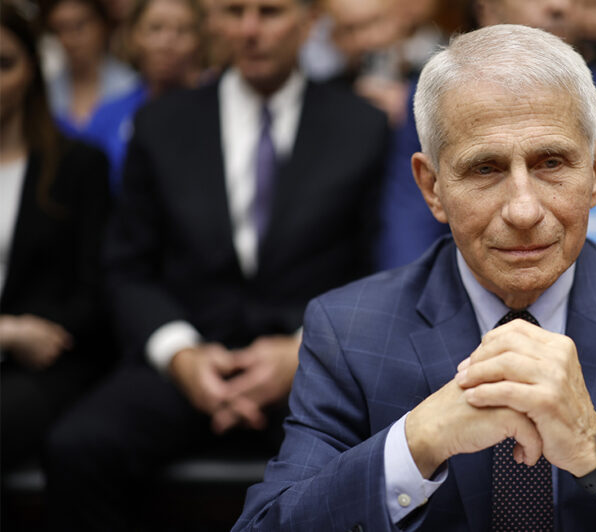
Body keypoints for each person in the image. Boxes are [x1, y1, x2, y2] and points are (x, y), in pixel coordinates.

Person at [233, 23, 596, 532]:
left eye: (551, 163)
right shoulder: (348, 330)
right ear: (432, 187)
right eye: (485, 169)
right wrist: (417, 442)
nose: (524, 209)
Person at [43, 0, 388, 528]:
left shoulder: (360, 126)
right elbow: (127, 265)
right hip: (185, 353)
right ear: (213, 23)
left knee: (369, 460)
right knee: (78, 448)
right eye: (233, 11)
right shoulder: (161, 123)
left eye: (269, 12)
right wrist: (180, 354)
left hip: (311, 360)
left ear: (307, 23)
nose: (250, 30)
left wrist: (304, 350)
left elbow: (379, 264)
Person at [377, 0, 596, 276]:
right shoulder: (436, 102)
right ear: (487, 10)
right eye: (485, 168)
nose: (560, 5)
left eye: (552, 162)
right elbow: (409, 239)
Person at [0, 0, 111, 470]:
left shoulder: (77, 166)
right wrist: (6, 332)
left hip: (47, 362)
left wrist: (28, 334)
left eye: (4, 64)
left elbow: (93, 294)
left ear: (32, 71)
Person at [84, 0, 206, 192]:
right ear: (133, 36)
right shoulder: (109, 115)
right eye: (155, 29)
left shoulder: (215, 109)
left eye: (182, 31)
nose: (167, 42)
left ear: (199, 40)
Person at [43, 0, 139, 137]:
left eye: (80, 26)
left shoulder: (132, 87)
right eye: (61, 29)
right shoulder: (47, 93)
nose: (70, 39)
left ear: (103, 26)